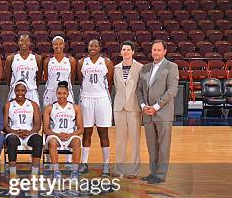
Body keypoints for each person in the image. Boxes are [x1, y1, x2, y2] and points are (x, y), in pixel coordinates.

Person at [136, 40, 179, 184]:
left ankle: (160, 175)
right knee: (152, 146)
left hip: (163, 113)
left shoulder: (172, 67)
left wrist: (156, 106)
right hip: (147, 113)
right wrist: (143, 106)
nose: (156, 52)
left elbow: (172, 90)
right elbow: (139, 90)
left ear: (165, 51)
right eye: (154, 50)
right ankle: (153, 172)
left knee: (163, 146)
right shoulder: (145, 68)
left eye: (159, 50)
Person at [77, 39, 114, 176]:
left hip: (102, 99)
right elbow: (81, 81)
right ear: (87, 47)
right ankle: (84, 163)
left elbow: (109, 83)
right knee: (86, 133)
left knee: (103, 133)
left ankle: (106, 165)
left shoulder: (107, 62)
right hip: (86, 98)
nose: (93, 47)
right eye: (91, 45)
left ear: (100, 48)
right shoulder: (82, 62)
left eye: (96, 45)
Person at [113, 41, 143, 179]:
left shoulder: (140, 68)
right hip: (119, 107)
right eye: (123, 49)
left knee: (135, 140)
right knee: (120, 140)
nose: (125, 51)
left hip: (134, 107)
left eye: (128, 49)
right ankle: (119, 169)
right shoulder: (115, 68)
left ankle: (134, 170)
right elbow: (117, 88)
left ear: (133, 52)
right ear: (121, 52)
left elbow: (141, 88)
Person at [43, 81, 84, 180]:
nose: (61, 96)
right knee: (52, 142)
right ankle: (56, 171)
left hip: (70, 135)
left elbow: (81, 129)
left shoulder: (75, 108)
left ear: (68, 94)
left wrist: (70, 135)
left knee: (77, 141)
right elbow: (45, 129)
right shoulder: (49, 108)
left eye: (64, 93)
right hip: (55, 136)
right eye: (59, 93)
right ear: (56, 94)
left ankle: (74, 172)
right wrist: (57, 134)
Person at [3, 81, 43, 178]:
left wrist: (29, 132)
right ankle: (13, 173)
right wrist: (14, 132)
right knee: (11, 140)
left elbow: (37, 124)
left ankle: (34, 173)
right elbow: (5, 125)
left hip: (29, 133)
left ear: (26, 91)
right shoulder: (9, 104)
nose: (20, 93)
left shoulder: (33, 104)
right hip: (14, 133)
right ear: (14, 91)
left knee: (38, 139)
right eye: (17, 90)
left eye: (22, 90)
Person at [5, 34, 42, 104]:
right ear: (18, 42)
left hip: (31, 91)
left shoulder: (37, 58)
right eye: (22, 41)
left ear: (30, 43)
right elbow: (8, 78)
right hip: (15, 91)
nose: (24, 43)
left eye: (27, 41)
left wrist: (33, 86)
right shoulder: (11, 58)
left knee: (35, 114)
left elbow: (39, 76)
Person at [42, 35, 76, 107]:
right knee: (48, 115)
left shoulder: (71, 60)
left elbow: (72, 78)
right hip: (51, 91)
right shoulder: (47, 61)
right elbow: (47, 77)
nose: (58, 46)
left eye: (60, 44)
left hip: (66, 92)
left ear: (64, 45)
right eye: (55, 44)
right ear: (52, 46)